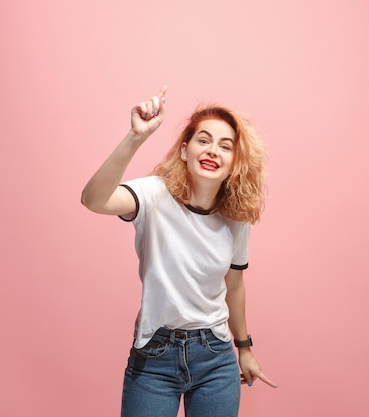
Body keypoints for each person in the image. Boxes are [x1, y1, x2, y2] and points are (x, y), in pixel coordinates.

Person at [81, 85, 276, 417]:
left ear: (234, 162)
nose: (213, 150)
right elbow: (93, 200)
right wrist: (135, 136)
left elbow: (234, 285)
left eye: (225, 146)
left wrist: (244, 349)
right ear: (185, 151)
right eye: (204, 140)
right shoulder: (154, 195)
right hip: (155, 356)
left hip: (216, 357)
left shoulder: (235, 218)